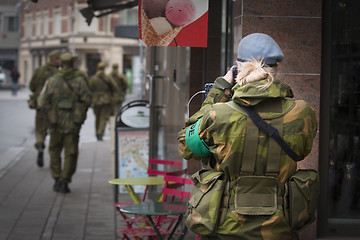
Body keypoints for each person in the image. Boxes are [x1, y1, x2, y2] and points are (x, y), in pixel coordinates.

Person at [177, 33, 318, 239]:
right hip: (280, 228)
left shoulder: (219, 114)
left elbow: (186, 145)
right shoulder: (302, 112)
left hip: (224, 228)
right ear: (275, 69)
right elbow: (302, 150)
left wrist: (219, 90)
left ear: (238, 69)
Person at [37, 52, 92, 193]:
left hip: (55, 123)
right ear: (73, 63)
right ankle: (64, 181)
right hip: (73, 124)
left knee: (54, 150)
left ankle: (56, 178)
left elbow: (41, 102)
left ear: (60, 64)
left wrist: (50, 114)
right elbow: (88, 100)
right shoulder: (80, 81)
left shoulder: (53, 80)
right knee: (71, 153)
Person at [29, 50, 61, 168]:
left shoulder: (39, 70)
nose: (60, 61)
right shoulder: (57, 73)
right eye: (59, 59)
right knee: (54, 130)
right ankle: (53, 157)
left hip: (40, 104)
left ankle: (40, 144)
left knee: (40, 129)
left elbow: (32, 86)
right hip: (53, 106)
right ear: (54, 59)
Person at [89, 62, 118, 141]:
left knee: (97, 118)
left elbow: (89, 89)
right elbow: (115, 87)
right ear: (104, 69)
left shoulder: (93, 78)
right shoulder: (107, 78)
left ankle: (97, 133)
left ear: (97, 68)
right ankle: (100, 133)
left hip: (95, 101)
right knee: (103, 118)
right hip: (106, 100)